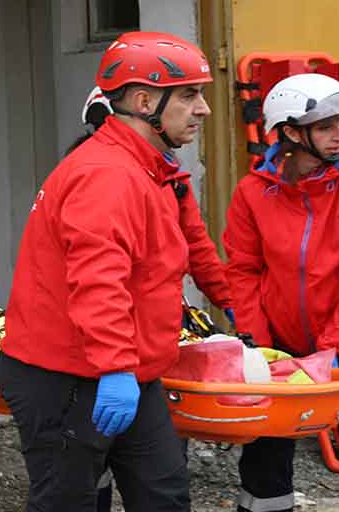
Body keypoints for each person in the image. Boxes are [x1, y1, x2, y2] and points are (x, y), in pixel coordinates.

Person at [0, 31, 213, 512]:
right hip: (69, 377)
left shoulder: (149, 170)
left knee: (164, 497)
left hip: (123, 371)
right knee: (68, 503)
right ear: (143, 101)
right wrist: (117, 369)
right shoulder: (108, 176)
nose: (203, 109)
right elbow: (99, 284)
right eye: (189, 94)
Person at [223, 73, 339, 512]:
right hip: (278, 344)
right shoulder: (253, 194)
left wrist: (331, 344)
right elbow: (242, 273)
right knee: (265, 450)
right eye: (326, 127)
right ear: (289, 131)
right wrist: (260, 347)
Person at [76, 86, 235, 511]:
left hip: (142, 352)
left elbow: (196, 245)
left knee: (161, 485)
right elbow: (97, 279)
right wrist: (114, 366)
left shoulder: (169, 180)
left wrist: (230, 301)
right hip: (90, 360)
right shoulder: (96, 177)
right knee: (85, 480)